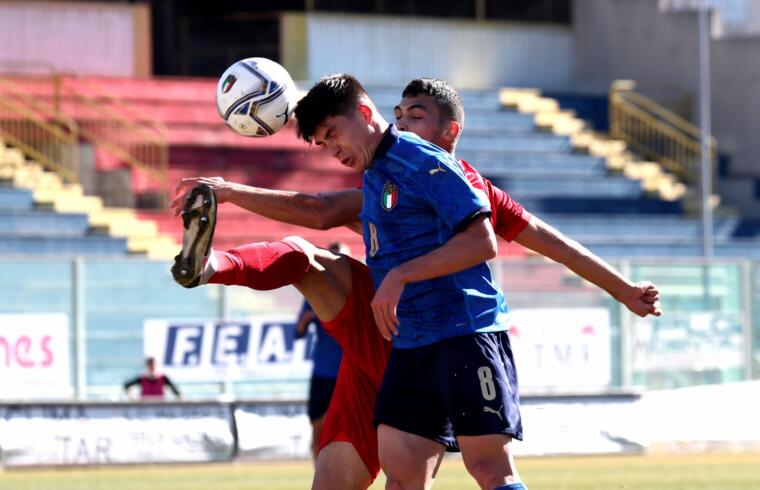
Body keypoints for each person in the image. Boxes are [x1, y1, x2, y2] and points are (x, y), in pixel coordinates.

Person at [171, 78, 661, 490]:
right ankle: (212, 266)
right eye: (399, 112)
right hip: (402, 342)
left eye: (416, 114)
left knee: (488, 466)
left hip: (460, 334)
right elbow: (317, 211)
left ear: (451, 131)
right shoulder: (375, 172)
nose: (403, 121)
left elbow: (521, 241)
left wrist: (621, 289)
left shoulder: (442, 171)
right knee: (388, 479)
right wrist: (229, 191)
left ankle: (216, 265)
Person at [296, 242, 345, 460]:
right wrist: (307, 318)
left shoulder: (359, 291)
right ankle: (321, 476)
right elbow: (297, 332)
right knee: (317, 427)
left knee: (352, 428)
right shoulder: (315, 294)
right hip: (323, 372)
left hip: (350, 371)